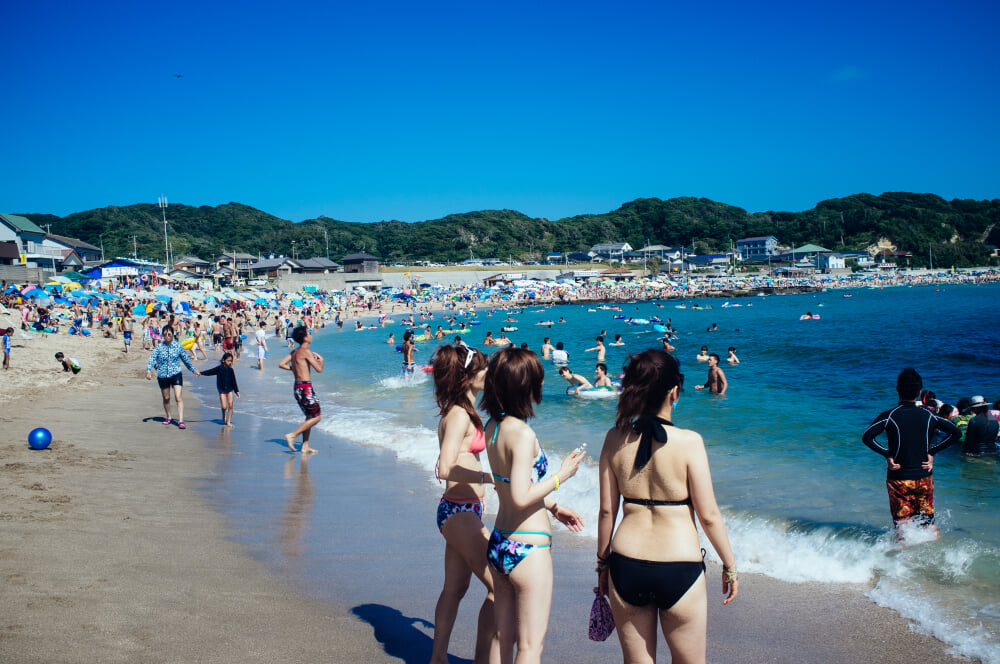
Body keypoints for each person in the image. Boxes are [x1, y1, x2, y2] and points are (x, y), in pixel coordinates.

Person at [597, 350, 739, 663]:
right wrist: (730, 564)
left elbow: (607, 511)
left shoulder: (613, 438)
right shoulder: (690, 442)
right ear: (674, 392)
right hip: (679, 568)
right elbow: (709, 516)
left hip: (626, 564)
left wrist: (602, 566)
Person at [481, 347, 585, 664]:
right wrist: (561, 475)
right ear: (527, 387)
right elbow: (521, 495)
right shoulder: (523, 434)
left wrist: (553, 506)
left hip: (500, 542)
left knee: (505, 638)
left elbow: (510, 483)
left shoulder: (492, 427)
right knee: (529, 648)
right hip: (529, 547)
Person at [429, 344, 499, 664]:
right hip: (458, 511)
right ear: (468, 376)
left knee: (454, 590)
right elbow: (444, 468)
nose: (488, 373)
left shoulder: (466, 411)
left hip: (463, 510)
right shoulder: (458, 415)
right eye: (483, 368)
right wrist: (488, 479)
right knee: (501, 586)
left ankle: (438, 658)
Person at [861, 368, 961, 538]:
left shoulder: (889, 415)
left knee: (902, 526)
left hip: (899, 477)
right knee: (928, 523)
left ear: (897, 390)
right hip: (923, 476)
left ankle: (904, 563)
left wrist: (888, 455)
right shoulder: (929, 416)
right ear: (919, 392)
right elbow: (956, 433)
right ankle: (936, 560)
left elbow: (867, 437)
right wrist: (932, 453)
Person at [278, 326, 324, 454]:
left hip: (297, 387)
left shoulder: (295, 352)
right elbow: (319, 369)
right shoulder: (306, 351)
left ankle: (305, 446)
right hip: (305, 387)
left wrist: (294, 369)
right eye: (309, 333)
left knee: (309, 416)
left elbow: (281, 364)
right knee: (317, 417)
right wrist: (322, 361)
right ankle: (292, 435)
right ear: (305, 337)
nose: (311, 335)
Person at [145, 325, 201, 429]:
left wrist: (194, 370)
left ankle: (180, 421)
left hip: (176, 374)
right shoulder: (159, 347)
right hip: (162, 375)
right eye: (165, 334)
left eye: (169, 334)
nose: (167, 336)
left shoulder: (178, 346)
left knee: (178, 397)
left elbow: (186, 360)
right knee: (166, 398)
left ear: (172, 335)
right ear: (163, 335)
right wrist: (148, 371)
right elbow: (152, 358)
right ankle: (169, 417)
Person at [201, 352, 241, 427]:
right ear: (223, 360)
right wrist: (201, 373)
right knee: (224, 407)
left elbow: (234, 381)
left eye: (231, 361)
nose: (230, 362)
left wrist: (237, 391)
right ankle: (223, 415)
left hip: (230, 389)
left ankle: (228, 422)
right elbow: (210, 371)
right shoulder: (219, 368)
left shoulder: (231, 370)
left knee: (230, 406)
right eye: (228, 360)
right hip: (222, 390)